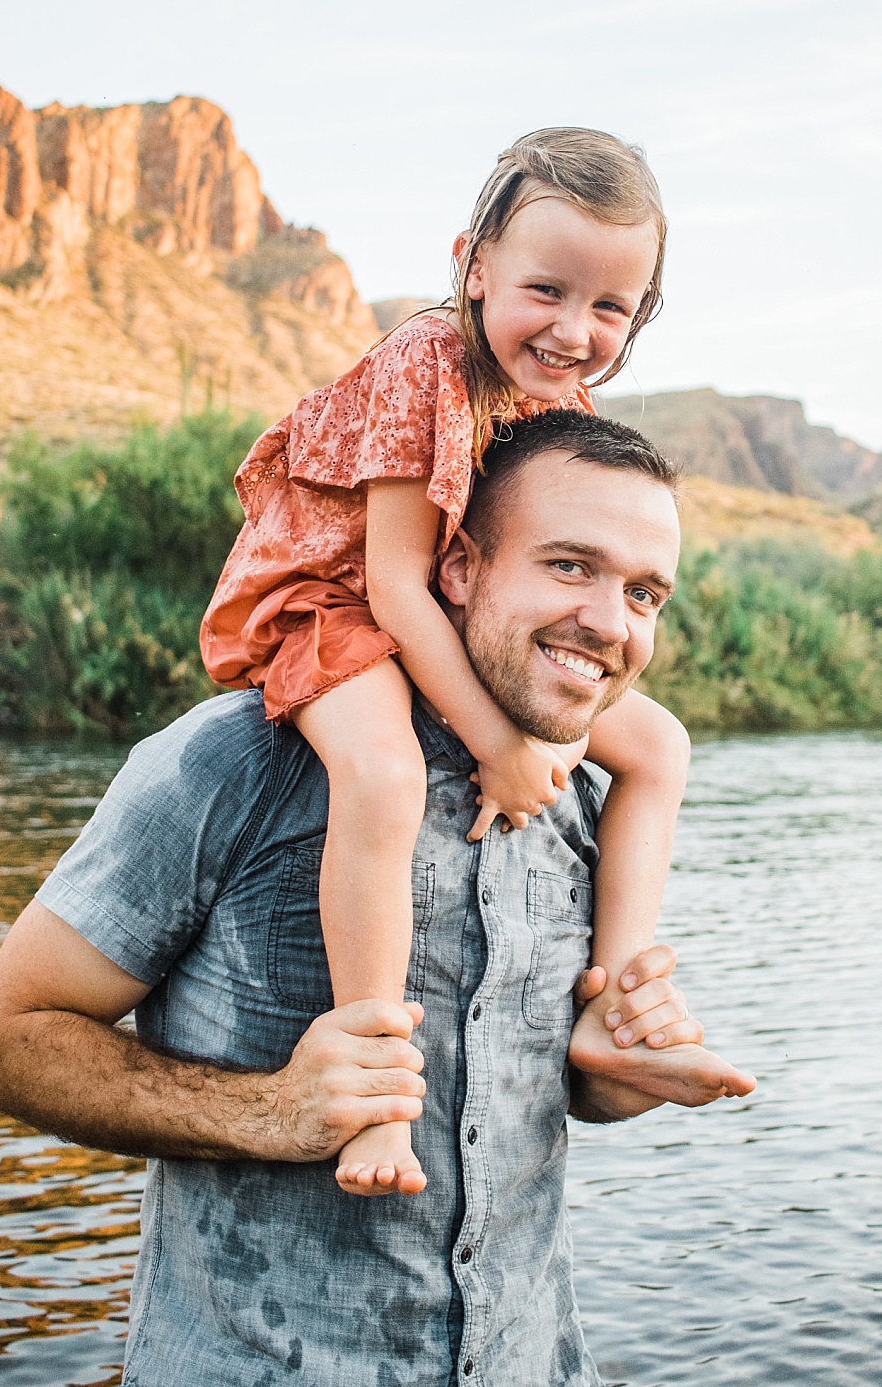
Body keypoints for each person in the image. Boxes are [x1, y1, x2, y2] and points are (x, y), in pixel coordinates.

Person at [0, 410, 755, 1387]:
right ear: (459, 566)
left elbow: (546, 1089)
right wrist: (272, 1110)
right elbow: (4, 1038)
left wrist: (617, 1067)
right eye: (571, 565)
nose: (611, 621)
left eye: (645, 591)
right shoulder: (238, 761)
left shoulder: (583, 796)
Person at [199, 128, 694, 1198]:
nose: (573, 331)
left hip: (443, 608)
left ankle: (610, 1008)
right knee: (383, 773)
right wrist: (501, 745)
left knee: (657, 743)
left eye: (611, 309)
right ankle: (374, 1096)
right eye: (546, 289)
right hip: (331, 601)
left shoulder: (559, 400)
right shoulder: (425, 360)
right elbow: (389, 584)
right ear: (474, 264)